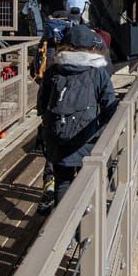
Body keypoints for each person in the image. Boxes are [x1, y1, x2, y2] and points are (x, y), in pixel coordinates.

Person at [37, 23, 117, 207]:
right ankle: (83, 227)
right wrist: (100, 129)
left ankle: (63, 230)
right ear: (91, 46)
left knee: (62, 181)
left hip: (57, 135)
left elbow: (42, 104)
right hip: (86, 137)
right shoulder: (97, 71)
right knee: (85, 183)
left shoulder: (53, 70)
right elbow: (110, 106)